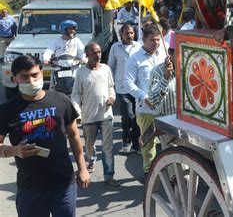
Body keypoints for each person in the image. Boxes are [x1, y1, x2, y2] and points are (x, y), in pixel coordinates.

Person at [0, 55, 90, 217]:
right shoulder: (7, 110)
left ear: (42, 73)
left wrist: (82, 169)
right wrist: (14, 151)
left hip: (63, 183)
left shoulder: (61, 100)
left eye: (35, 75)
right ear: (15, 79)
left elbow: (74, 136)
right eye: (24, 77)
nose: (31, 81)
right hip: (30, 187)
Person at [125, 23, 174, 177]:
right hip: (146, 109)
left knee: (169, 143)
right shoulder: (134, 59)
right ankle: (150, 173)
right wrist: (142, 96)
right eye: (152, 40)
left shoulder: (164, 55)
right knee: (148, 144)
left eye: (158, 40)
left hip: (166, 108)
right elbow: (128, 83)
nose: (156, 43)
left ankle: (172, 173)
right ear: (144, 39)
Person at [71, 42, 119, 187]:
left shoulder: (106, 69)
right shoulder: (81, 72)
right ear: (87, 55)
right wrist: (77, 114)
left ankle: (109, 175)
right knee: (89, 146)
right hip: (88, 117)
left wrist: (112, 97)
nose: (97, 55)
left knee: (108, 148)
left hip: (106, 116)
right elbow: (76, 95)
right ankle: (91, 161)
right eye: (94, 53)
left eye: (99, 52)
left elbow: (111, 87)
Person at [107, 23, 142, 154]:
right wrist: (110, 85)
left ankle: (137, 143)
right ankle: (126, 140)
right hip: (122, 88)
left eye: (132, 33)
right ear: (121, 34)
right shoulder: (115, 47)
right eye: (126, 33)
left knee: (137, 116)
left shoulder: (139, 47)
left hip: (137, 87)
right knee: (128, 115)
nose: (129, 35)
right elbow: (111, 66)